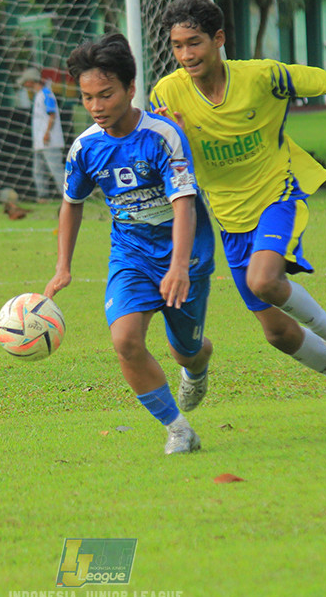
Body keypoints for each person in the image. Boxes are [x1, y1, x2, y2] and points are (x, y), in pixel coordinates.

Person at [151, 0, 326, 424]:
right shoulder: (168, 93)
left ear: (219, 39)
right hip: (229, 219)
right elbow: (174, 163)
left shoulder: (262, 77)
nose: (186, 54)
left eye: (195, 43)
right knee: (279, 334)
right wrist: (179, 139)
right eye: (177, 45)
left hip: (276, 195)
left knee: (264, 280)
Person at [44, 33, 215, 455]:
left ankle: (197, 366)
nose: (97, 107)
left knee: (186, 351)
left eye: (106, 95)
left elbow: (184, 206)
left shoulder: (162, 135)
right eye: (87, 98)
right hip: (131, 254)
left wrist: (178, 266)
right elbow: (71, 204)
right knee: (125, 341)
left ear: (130, 88)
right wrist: (63, 266)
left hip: (185, 255)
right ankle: (178, 428)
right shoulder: (85, 147)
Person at [18, 67, 66, 203]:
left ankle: (67, 196)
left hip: (50, 141)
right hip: (39, 142)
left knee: (56, 169)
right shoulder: (38, 95)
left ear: (30, 81)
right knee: (38, 170)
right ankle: (43, 196)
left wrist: (47, 133)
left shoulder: (46, 94)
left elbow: (52, 114)